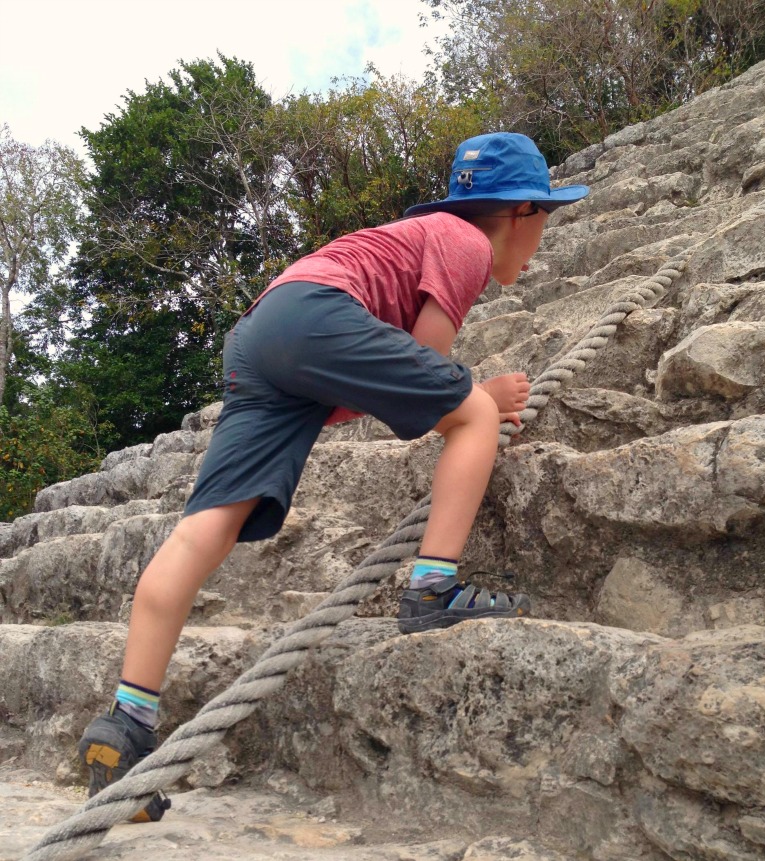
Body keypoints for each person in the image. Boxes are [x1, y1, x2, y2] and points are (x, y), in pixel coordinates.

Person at [78, 132, 589, 820]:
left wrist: (456, 392)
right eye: (545, 220)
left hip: (263, 331)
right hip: (315, 313)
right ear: (521, 212)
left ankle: (126, 724)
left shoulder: (410, 235)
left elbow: (377, 385)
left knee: (206, 527)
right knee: (472, 414)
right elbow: (427, 365)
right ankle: (433, 589)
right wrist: (482, 398)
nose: (541, 244)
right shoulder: (464, 241)